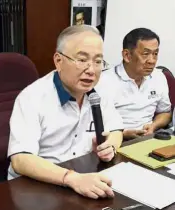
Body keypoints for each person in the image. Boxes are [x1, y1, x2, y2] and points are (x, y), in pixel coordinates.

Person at [7, 25, 124, 199]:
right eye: (82, 60)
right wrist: (71, 179)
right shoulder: (32, 97)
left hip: (84, 178)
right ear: (58, 61)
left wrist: (111, 146)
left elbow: (116, 128)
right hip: (38, 186)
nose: (91, 70)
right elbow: (21, 160)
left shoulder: (99, 91)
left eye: (98, 61)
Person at [96, 28, 172, 140]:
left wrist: (153, 126)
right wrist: (121, 134)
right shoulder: (104, 81)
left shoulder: (159, 77)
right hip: (114, 142)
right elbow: (94, 123)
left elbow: (165, 113)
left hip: (149, 138)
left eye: (155, 54)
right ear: (127, 55)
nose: (152, 60)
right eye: (145, 54)